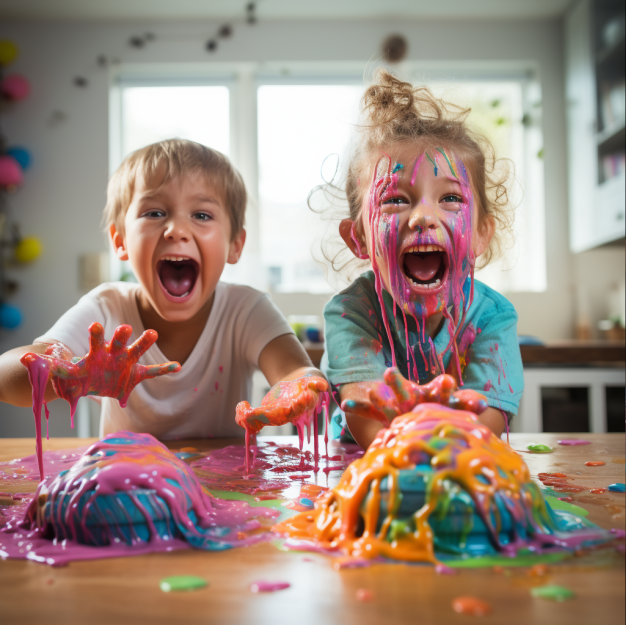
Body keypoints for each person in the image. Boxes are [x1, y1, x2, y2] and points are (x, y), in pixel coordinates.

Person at [0, 139, 327, 439]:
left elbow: (296, 372)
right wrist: (69, 372)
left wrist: (299, 390)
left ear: (234, 244)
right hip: (122, 487)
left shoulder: (246, 310)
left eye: (201, 214)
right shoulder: (106, 308)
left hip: (223, 493)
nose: (177, 229)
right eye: (154, 212)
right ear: (121, 240)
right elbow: (7, 378)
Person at [320, 71, 523, 449]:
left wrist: (438, 459)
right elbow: (366, 417)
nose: (423, 217)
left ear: (480, 233)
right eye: (395, 200)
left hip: (458, 462)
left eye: (450, 199)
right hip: (359, 464)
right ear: (359, 237)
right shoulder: (351, 312)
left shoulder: (493, 318)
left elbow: (488, 418)